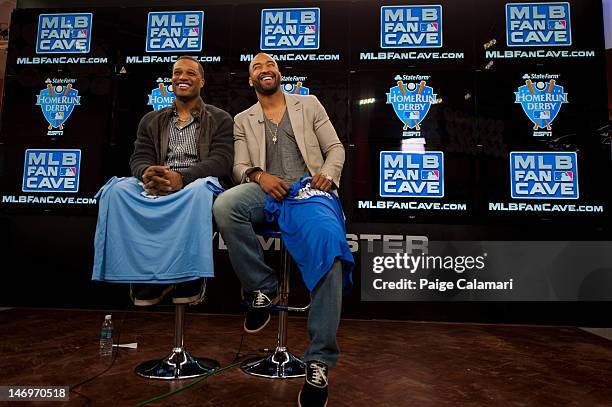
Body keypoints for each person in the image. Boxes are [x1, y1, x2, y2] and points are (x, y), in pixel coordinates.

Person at [213, 53, 351, 407]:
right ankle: (263, 287)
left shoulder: (309, 104)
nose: (265, 70)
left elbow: (334, 148)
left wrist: (329, 175)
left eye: (270, 65)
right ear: (250, 80)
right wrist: (260, 176)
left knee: (331, 247)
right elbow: (240, 165)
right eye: (257, 67)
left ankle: (318, 360)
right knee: (226, 205)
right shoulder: (243, 119)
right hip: (266, 191)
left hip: (309, 192)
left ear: (279, 73)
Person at [94, 55, 233, 305]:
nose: (182, 77)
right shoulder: (151, 119)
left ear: (201, 81)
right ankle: (144, 277)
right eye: (178, 73)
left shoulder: (220, 118)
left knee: (201, 190)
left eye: (190, 73)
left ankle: (189, 277)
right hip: (159, 182)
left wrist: (182, 177)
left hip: (194, 183)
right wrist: (147, 173)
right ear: (171, 80)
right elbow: (139, 157)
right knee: (117, 190)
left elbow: (222, 161)